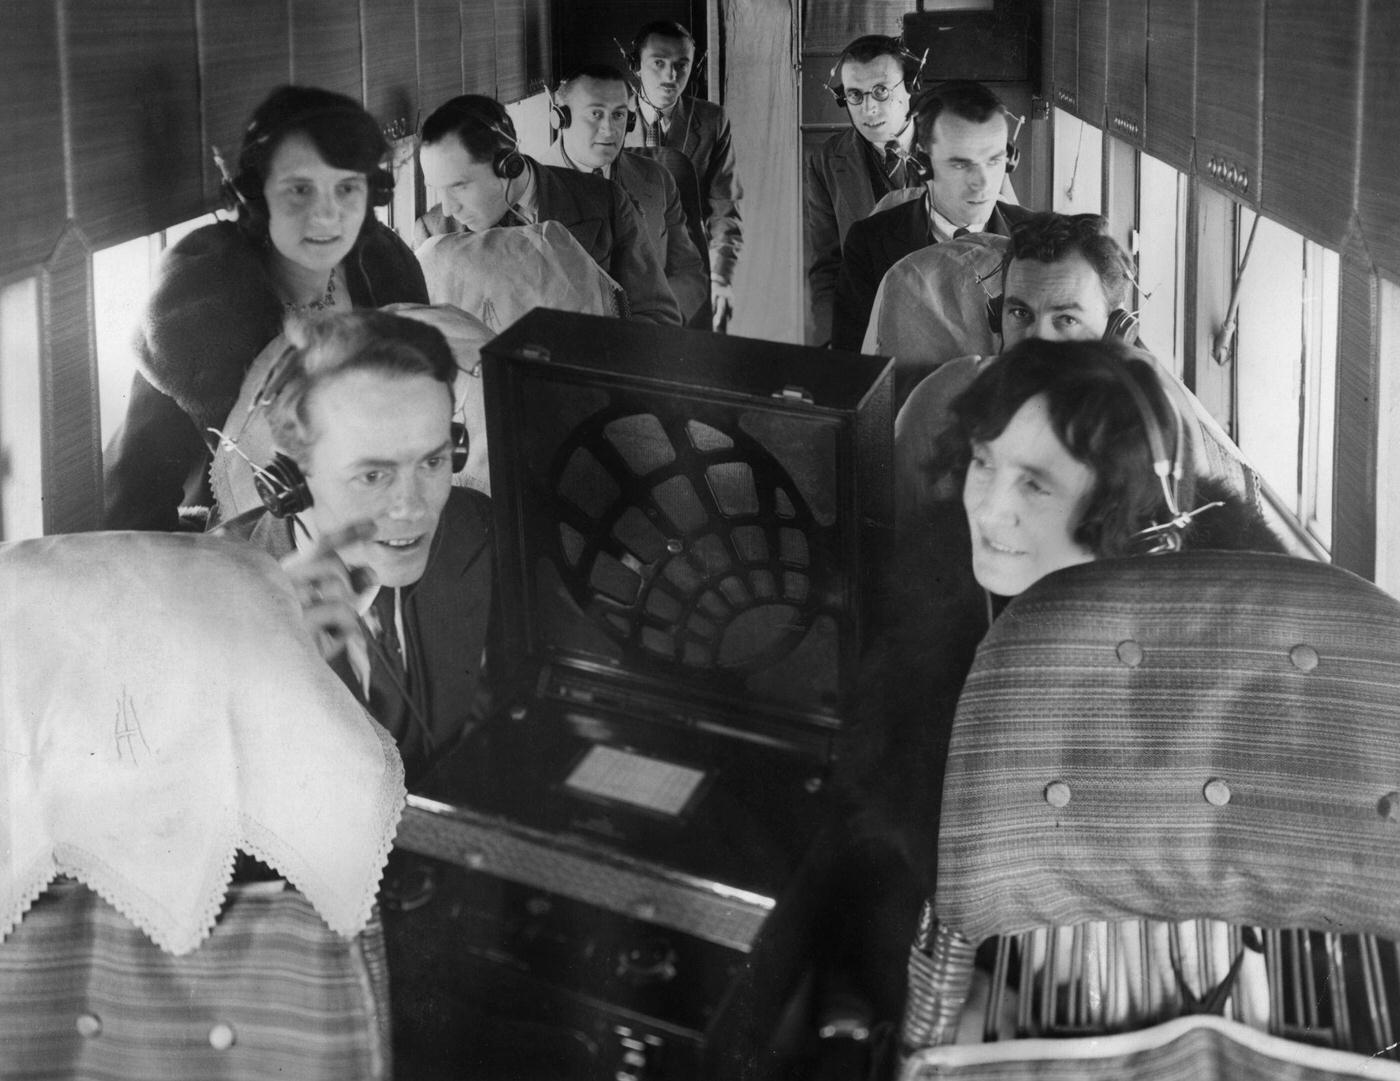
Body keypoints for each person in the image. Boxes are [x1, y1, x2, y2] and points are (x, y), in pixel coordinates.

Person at [809, 339, 1283, 1066]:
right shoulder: (935, 611)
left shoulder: (1227, 668)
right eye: (984, 463)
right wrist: (946, 1002)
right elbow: (881, 841)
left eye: (1035, 484)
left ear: (1125, 512)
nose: (990, 509)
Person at [102, 85, 428, 533]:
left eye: (347, 188)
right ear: (258, 195)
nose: (327, 216)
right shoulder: (197, 315)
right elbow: (134, 508)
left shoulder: (388, 270)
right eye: (300, 190)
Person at [220, 309, 494, 788]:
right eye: (373, 475)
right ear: (292, 479)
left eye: (432, 462)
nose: (412, 508)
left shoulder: (479, 529)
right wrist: (273, 668)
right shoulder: (213, 601)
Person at [894, 213, 1138, 523]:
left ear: (1115, 332)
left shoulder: (1145, 425)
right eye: (1021, 313)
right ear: (997, 317)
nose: (1037, 340)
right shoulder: (941, 402)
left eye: (1066, 319)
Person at [415, 94, 681, 327]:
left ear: (507, 163)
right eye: (439, 189)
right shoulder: (435, 234)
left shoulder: (604, 201)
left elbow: (658, 318)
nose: (449, 209)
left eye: (459, 186)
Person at [832, 80, 1032, 352]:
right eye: (961, 164)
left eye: (994, 160)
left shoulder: (1037, 239)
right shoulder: (869, 243)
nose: (983, 182)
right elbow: (854, 363)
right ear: (922, 165)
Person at [541, 64, 709, 325]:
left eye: (619, 115)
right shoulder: (531, 194)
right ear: (561, 118)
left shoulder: (658, 179)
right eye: (596, 114)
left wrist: (649, 330)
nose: (609, 130)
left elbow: (689, 272)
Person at [622, 19, 742, 332]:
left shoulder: (712, 121)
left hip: (694, 270)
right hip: (629, 272)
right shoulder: (612, 120)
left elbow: (725, 210)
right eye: (658, 63)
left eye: (681, 65)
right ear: (636, 65)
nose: (670, 77)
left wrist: (721, 279)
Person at [805, 35, 923, 347]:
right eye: (855, 95)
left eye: (881, 91)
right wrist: (830, 345)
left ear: (912, 86)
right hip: (866, 332)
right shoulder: (826, 160)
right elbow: (825, 267)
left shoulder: (956, 142)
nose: (868, 109)